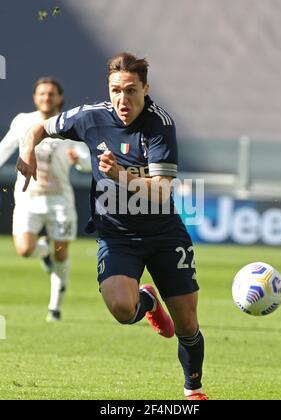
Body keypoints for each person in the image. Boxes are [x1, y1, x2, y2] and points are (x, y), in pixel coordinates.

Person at [16, 53, 208, 400]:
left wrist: (118, 175)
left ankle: (193, 389)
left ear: (146, 89)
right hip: (117, 236)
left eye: (131, 90)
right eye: (116, 90)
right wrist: (28, 151)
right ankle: (147, 303)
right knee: (122, 309)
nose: (123, 99)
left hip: (164, 234)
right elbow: (39, 128)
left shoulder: (160, 124)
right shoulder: (90, 117)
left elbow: (162, 191)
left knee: (187, 324)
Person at [0, 77, 91, 322]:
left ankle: (55, 309)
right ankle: (44, 253)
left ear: (60, 98)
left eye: (51, 94)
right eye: (42, 93)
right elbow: (6, 147)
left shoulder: (69, 125)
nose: (46, 98)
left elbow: (87, 161)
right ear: (34, 97)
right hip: (28, 197)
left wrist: (79, 160)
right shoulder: (23, 121)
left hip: (59, 200)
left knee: (62, 254)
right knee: (24, 249)